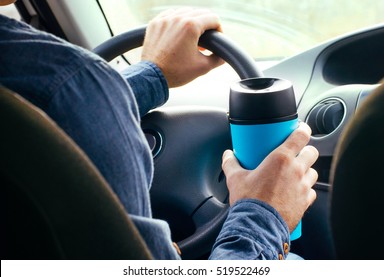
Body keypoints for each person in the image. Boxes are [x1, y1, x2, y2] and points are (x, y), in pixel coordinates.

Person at [0, 0, 318, 260]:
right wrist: (264, 211)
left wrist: (150, 75)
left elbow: (50, 113)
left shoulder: (60, 88)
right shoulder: (74, 86)